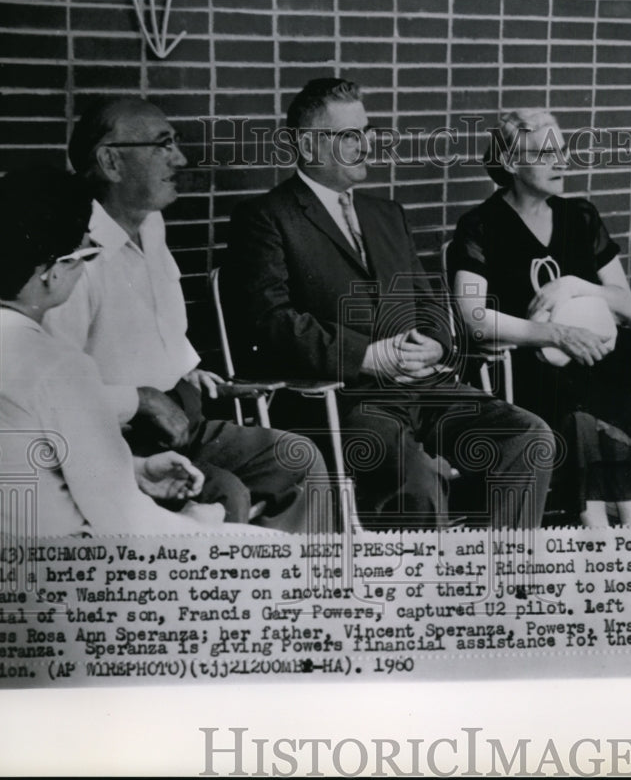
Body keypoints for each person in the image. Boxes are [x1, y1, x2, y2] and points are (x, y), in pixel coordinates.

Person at [223, 78, 554, 530]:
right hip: (342, 399)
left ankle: (499, 581)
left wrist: (436, 345)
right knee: (416, 479)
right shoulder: (265, 218)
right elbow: (271, 324)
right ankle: (422, 593)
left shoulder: (386, 214)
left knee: (526, 436)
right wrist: (369, 355)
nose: (366, 144)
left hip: (422, 384)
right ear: (308, 144)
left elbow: (430, 301)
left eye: (368, 130)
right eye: (349, 136)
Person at [42, 97, 325, 533]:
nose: (181, 158)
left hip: (182, 419)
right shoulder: (74, 253)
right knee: (223, 492)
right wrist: (144, 399)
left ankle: (290, 591)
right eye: (163, 144)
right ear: (111, 161)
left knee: (296, 458)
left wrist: (187, 366)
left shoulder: (151, 224)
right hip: (119, 441)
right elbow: (56, 390)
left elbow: (155, 321)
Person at [0, 167, 263, 536]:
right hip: (73, 572)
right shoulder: (60, 368)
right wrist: (198, 521)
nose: (84, 270)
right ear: (53, 270)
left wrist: (132, 468)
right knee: (262, 545)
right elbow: (129, 524)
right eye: (86, 254)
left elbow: (18, 447)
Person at [446, 109, 631, 528]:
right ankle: (620, 539)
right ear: (510, 164)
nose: (562, 162)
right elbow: (474, 318)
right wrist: (553, 334)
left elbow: (624, 303)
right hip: (529, 369)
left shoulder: (582, 217)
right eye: (544, 153)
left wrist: (574, 284)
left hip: (601, 357)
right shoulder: (479, 227)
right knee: (586, 417)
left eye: (562, 150)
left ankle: (622, 539)